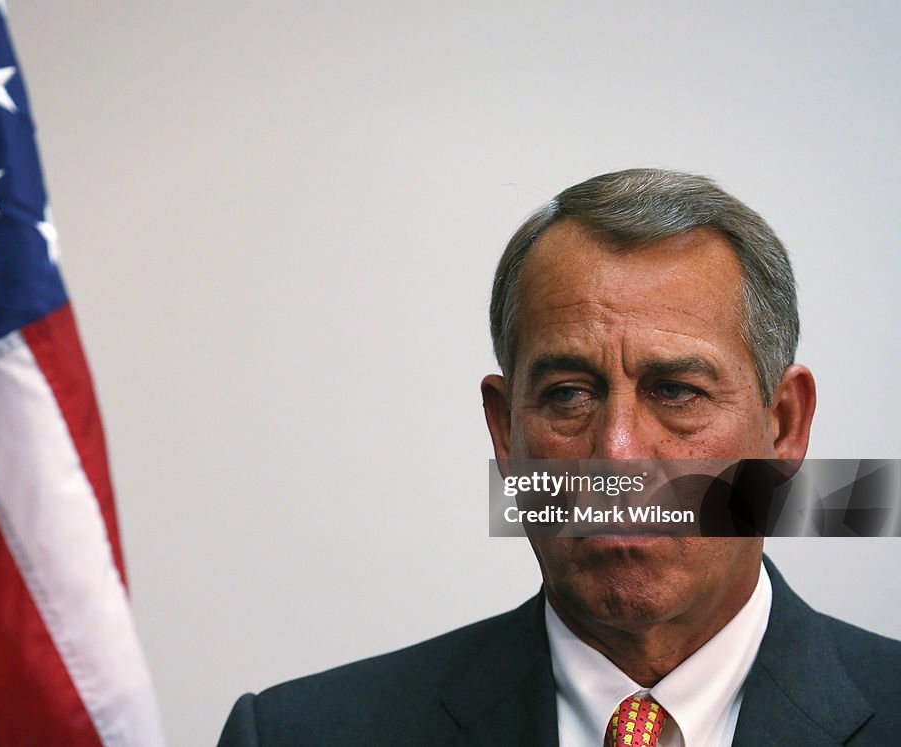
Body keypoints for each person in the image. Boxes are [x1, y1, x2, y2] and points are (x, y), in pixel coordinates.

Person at [217, 169, 901, 746]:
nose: (618, 452)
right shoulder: (295, 733)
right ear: (506, 432)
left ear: (784, 426)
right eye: (570, 394)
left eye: (676, 390)